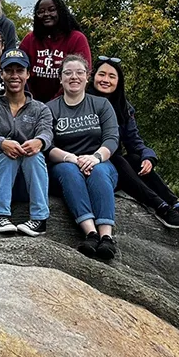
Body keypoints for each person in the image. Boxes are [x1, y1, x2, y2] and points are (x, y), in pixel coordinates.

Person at [88, 57, 179, 229]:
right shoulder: (83, 101)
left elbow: (135, 141)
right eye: (101, 74)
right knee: (118, 160)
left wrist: (149, 158)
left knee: (135, 158)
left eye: (112, 76)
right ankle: (160, 207)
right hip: (95, 166)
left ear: (119, 82)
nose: (105, 80)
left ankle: (174, 205)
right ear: (93, 76)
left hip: (119, 169)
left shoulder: (124, 108)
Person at [46, 53, 120, 261]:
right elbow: (46, 145)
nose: (74, 77)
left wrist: (95, 157)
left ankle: (106, 237)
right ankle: (90, 233)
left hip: (99, 162)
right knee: (68, 171)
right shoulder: (50, 108)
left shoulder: (101, 105)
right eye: (68, 73)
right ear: (60, 78)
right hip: (64, 163)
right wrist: (71, 158)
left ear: (87, 77)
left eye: (79, 73)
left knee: (98, 171)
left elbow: (112, 139)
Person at [0, 49, 52, 237]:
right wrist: (4, 143)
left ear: (28, 73)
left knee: (35, 156)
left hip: (29, 180)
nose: (14, 76)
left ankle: (40, 218)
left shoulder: (41, 109)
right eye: (9, 70)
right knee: (8, 152)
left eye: (19, 70)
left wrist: (39, 142)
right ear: (1, 73)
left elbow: (47, 132)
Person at [19, 0, 91, 102]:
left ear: (61, 12)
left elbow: (83, 74)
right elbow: (18, 72)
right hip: (31, 102)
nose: (46, 14)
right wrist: (31, 101)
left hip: (66, 102)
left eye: (52, 10)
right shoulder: (29, 40)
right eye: (41, 11)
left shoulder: (76, 38)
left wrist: (54, 104)